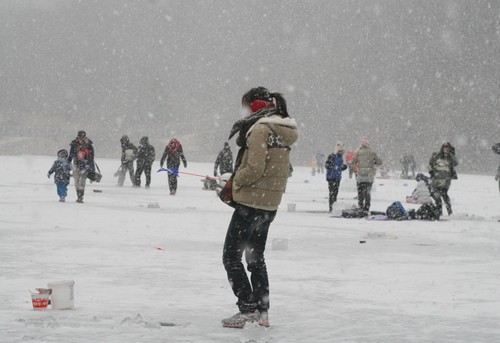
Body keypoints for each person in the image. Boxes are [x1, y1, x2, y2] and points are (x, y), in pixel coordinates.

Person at [221, 87, 298, 329]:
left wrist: (234, 181)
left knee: (231, 256)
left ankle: (247, 308)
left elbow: (254, 168)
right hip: (269, 205)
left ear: (254, 106)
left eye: (245, 106)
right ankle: (262, 311)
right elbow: (282, 169)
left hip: (250, 204)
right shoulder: (282, 129)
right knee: (256, 258)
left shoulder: (260, 129)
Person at [352, 137, 382, 213]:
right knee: (367, 192)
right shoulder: (372, 152)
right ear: (368, 144)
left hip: (361, 175)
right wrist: (373, 162)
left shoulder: (358, 152)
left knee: (360, 192)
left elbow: (353, 162)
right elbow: (379, 162)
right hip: (369, 175)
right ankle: (367, 207)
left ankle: (360, 206)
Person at [429, 142, 458, 215]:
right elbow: (430, 163)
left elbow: (456, 163)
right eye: (445, 147)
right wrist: (432, 171)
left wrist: (452, 154)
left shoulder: (450, 157)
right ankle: (439, 212)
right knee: (436, 196)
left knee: (444, 194)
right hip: (436, 178)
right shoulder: (437, 155)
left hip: (446, 179)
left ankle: (450, 212)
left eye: (448, 147)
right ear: (442, 147)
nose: (446, 149)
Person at [67, 130, 95, 203]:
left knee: (82, 182)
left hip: (85, 166)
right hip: (76, 165)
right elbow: (70, 155)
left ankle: (80, 197)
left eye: (82, 137)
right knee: (76, 182)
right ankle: (78, 195)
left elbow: (91, 158)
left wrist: (90, 166)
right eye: (80, 137)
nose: (81, 138)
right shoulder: (74, 144)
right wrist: (68, 163)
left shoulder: (89, 145)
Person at [325, 141, 347, 212]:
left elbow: (340, 167)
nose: (341, 152)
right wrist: (334, 167)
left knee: (335, 193)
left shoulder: (340, 158)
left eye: (342, 151)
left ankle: (334, 206)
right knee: (332, 193)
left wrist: (343, 167)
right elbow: (327, 165)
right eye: (340, 151)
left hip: (337, 178)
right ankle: (331, 207)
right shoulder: (331, 156)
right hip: (331, 177)